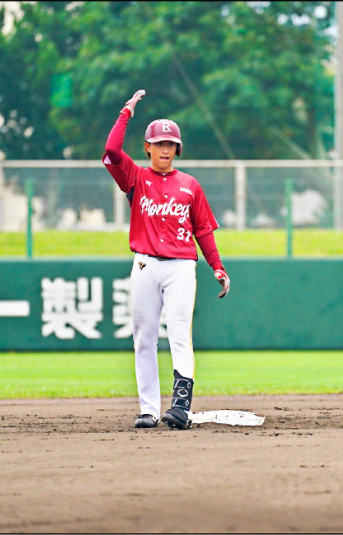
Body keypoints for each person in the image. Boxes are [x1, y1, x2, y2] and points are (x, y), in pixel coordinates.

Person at [102, 89, 230, 429]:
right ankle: (148, 409)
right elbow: (111, 150)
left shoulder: (190, 185)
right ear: (147, 148)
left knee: (178, 332)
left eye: (169, 144)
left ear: (177, 149)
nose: (164, 149)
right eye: (158, 143)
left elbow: (203, 229)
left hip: (181, 267)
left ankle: (181, 407)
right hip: (144, 265)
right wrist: (126, 112)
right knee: (143, 336)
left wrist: (216, 265)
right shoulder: (135, 178)